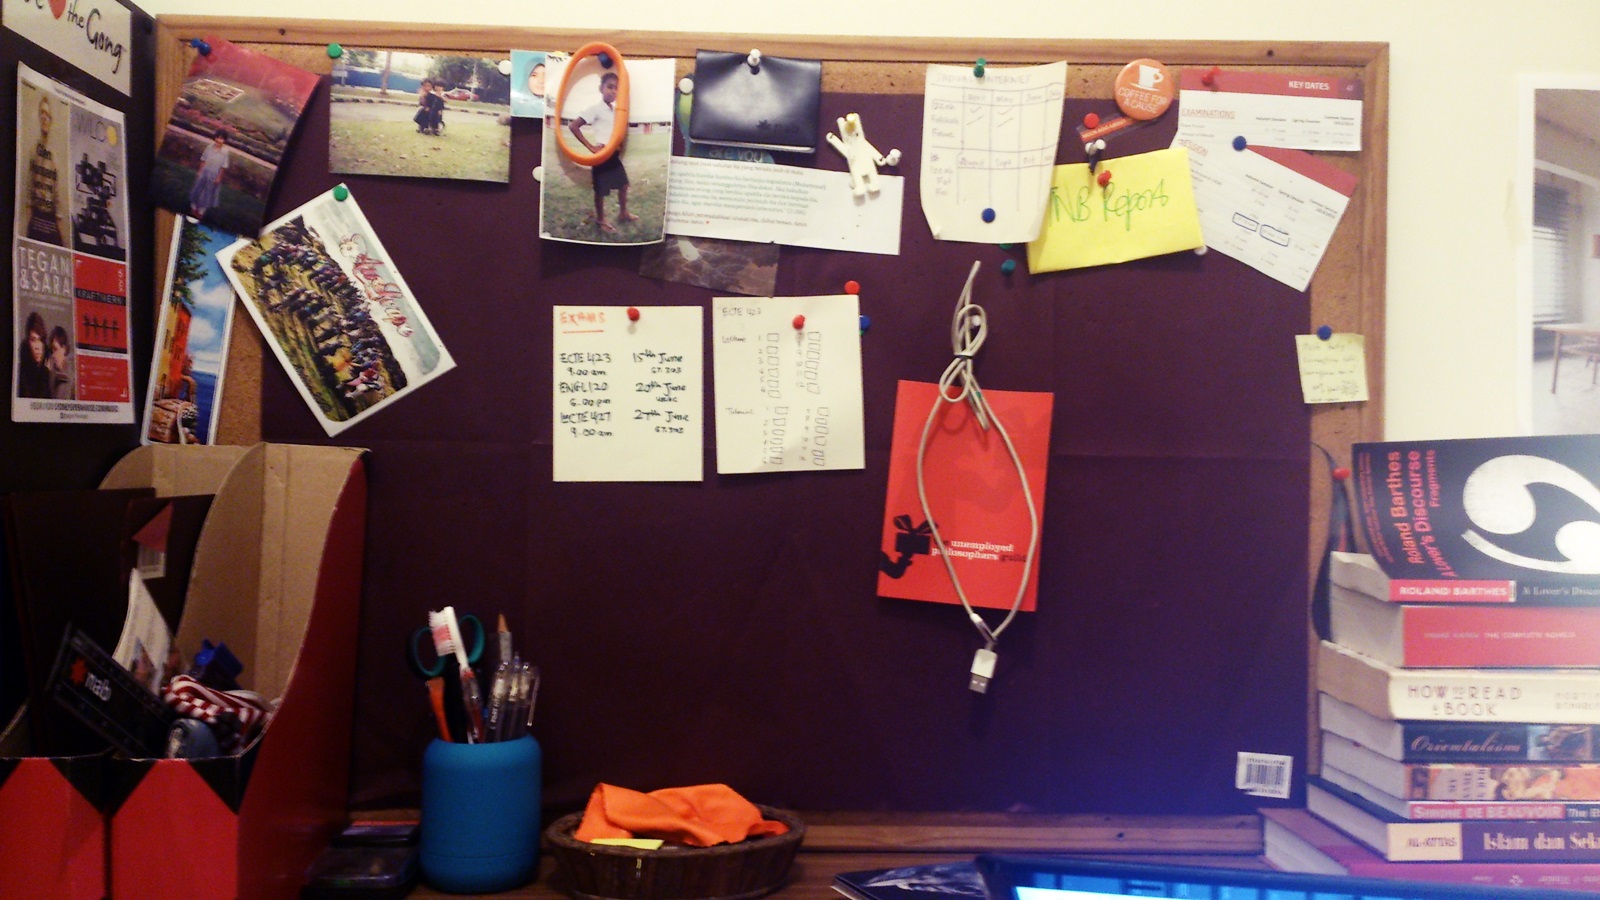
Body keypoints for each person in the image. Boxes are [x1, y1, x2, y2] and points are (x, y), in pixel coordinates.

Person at [569, 72, 636, 234]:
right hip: (601, 155)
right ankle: (601, 219)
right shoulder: (595, 109)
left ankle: (623, 213)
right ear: (601, 89)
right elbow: (573, 126)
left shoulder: (616, 111)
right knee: (600, 190)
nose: (613, 91)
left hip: (613, 155)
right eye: (610, 87)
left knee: (624, 185)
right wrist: (591, 147)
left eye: (616, 88)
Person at [25, 94, 66, 246]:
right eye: (42, 113)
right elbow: (29, 191)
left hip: (51, 220)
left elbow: (57, 196)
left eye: (47, 114)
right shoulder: (33, 151)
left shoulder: (55, 156)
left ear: (51, 120)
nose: (44, 117)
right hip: (36, 218)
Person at [189, 129, 230, 221]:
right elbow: (203, 160)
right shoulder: (209, 147)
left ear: (224, 140)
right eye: (217, 138)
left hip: (214, 175)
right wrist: (200, 171)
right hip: (204, 172)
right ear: (215, 138)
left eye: (221, 139)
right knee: (197, 190)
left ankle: (201, 211)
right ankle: (193, 207)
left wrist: (219, 177)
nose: (219, 140)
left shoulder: (225, 152)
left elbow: (223, 166)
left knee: (208, 193)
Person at [16, 312, 52, 399]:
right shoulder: (21, 372)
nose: (37, 347)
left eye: (40, 340)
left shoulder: (49, 370)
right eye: (33, 340)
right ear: (28, 342)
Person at [47, 326, 74, 400]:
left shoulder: (73, 374)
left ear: (64, 349)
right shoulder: (51, 375)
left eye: (55, 349)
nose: (53, 355)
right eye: (51, 351)